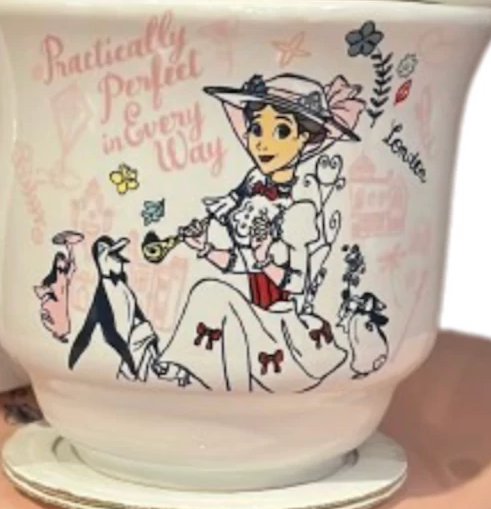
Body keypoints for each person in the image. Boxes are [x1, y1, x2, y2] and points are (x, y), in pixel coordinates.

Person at [150, 71, 366, 391]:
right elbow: (240, 263)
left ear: (305, 138)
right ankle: (199, 386)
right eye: (255, 129)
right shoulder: (254, 190)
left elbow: (298, 283)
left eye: (281, 131)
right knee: (211, 293)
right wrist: (204, 247)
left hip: (282, 321)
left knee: (213, 295)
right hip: (256, 313)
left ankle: (188, 376)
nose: (262, 142)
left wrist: (265, 260)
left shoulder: (300, 210)